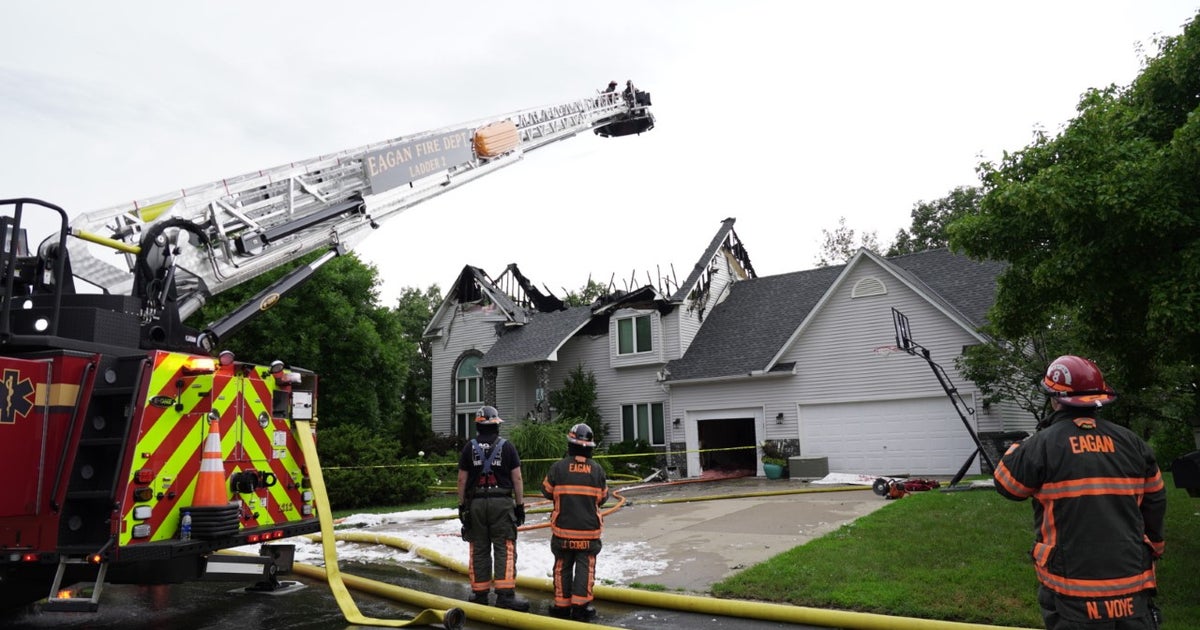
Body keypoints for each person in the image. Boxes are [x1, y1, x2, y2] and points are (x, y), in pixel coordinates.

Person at [993, 355, 1166, 629]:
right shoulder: (1133, 443)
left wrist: (1020, 446)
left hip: (1071, 594)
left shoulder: (1042, 445)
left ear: (1054, 398)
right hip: (1132, 589)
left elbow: (1008, 486)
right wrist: (1154, 547)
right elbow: (1155, 503)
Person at [457, 405, 530, 611]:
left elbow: (462, 479)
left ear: (478, 426)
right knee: (504, 547)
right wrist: (520, 505)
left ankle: (479, 594)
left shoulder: (468, 448)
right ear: (496, 425)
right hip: (501, 503)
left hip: (476, 504)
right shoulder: (507, 447)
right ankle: (505, 595)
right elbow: (517, 477)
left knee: (478, 548)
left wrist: (462, 506)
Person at [541, 423, 609, 621]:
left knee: (562, 565)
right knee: (585, 567)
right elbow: (603, 497)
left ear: (570, 444)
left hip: (563, 530)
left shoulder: (558, 468)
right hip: (588, 533)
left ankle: (561, 606)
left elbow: (546, 491)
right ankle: (581, 607)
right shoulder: (597, 470)